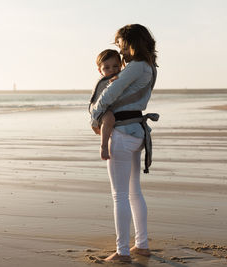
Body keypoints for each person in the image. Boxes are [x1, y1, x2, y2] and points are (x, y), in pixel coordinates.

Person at [90, 24, 158, 263]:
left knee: (119, 195)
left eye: (120, 44)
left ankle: (122, 251)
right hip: (137, 132)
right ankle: (142, 245)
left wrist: (94, 115)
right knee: (134, 192)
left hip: (121, 134)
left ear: (130, 43)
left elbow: (109, 94)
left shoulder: (136, 67)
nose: (119, 50)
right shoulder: (149, 67)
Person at [89, 49, 122, 160]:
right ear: (100, 70)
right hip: (99, 110)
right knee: (109, 118)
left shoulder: (120, 76)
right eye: (106, 68)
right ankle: (103, 146)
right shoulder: (106, 80)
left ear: (121, 65)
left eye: (115, 66)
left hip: (105, 107)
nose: (112, 70)